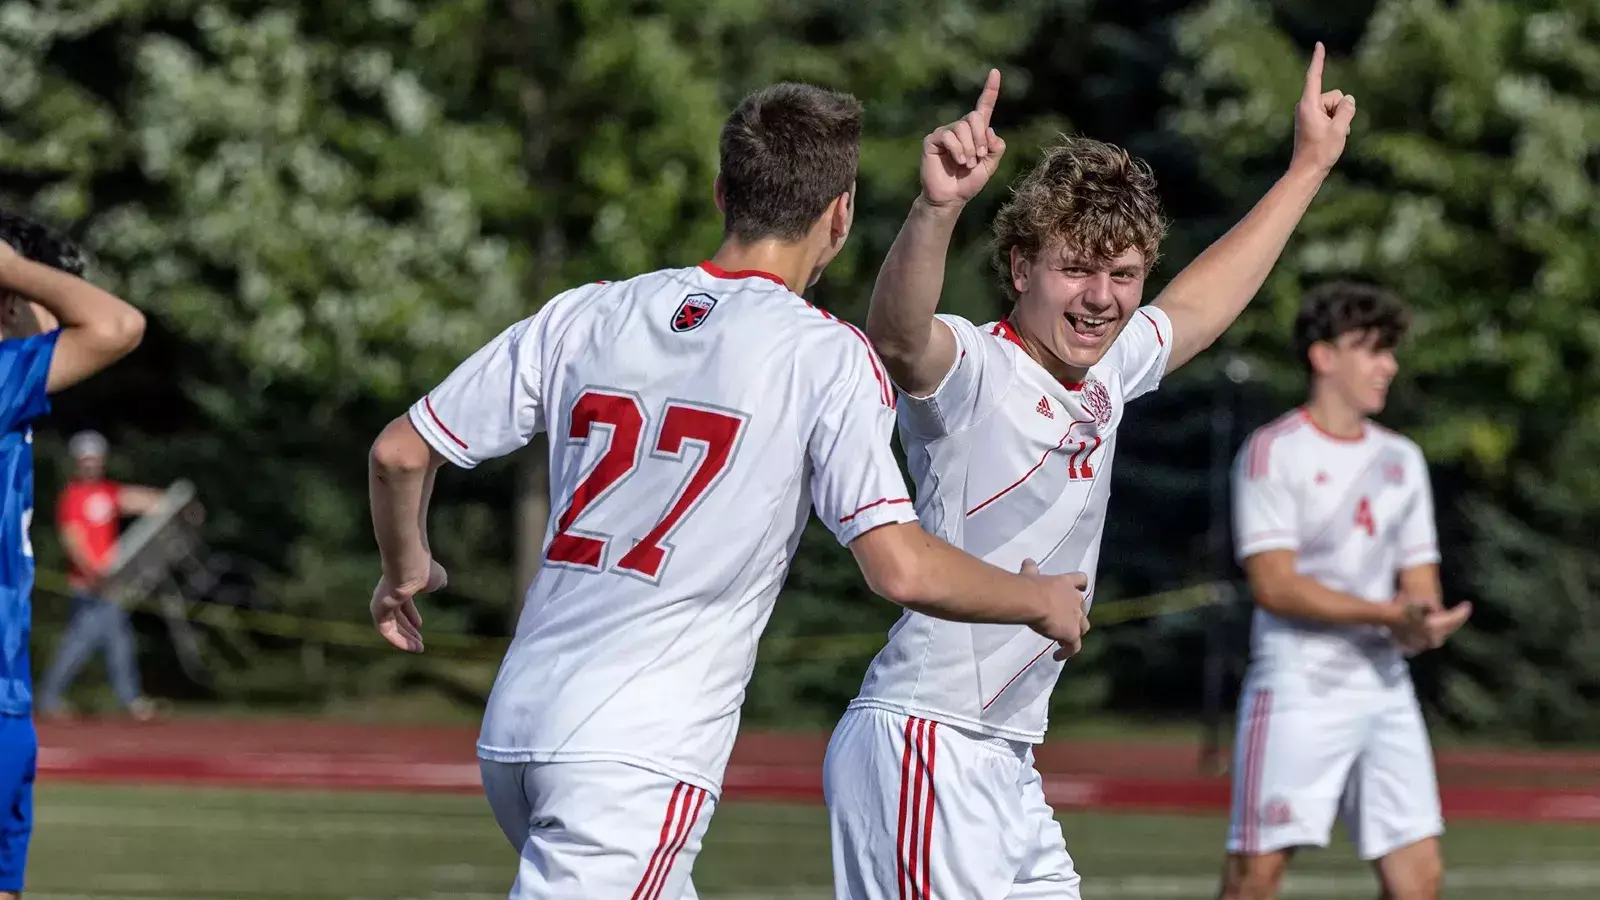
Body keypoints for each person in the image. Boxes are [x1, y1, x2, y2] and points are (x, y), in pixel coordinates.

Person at [365, 82, 1091, 900]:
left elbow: (399, 453)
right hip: (636, 751)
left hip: (519, 729)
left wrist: (407, 566)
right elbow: (900, 568)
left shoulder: (588, 312)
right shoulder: (825, 355)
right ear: (841, 214)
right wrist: (1034, 599)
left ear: (722, 194)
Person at [824, 45, 1356, 899]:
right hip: (928, 740)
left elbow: (1199, 303)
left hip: (1006, 761)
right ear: (1021, 267)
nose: (1101, 296)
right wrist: (935, 208)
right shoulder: (978, 370)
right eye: (1076, 268)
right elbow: (896, 336)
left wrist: (1306, 168)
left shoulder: (1106, 369)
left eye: (1123, 274)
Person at [1216, 281, 1471, 900]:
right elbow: (1275, 586)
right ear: (1323, 356)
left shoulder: (1402, 459)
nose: (1390, 365)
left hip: (1383, 687)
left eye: (1391, 351)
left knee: (1419, 879)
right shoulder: (1273, 451)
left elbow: (1419, 583)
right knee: (1258, 876)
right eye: (1373, 350)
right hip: (1299, 685)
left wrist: (1421, 620)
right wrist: (1389, 613)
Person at [0, 211, 145, 899]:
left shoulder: (15, 395)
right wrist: (11, 265)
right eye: (41, 296)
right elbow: (118, 326)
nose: (55, 311)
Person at [37, 430, 167, 721]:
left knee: (116, 642)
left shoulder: (107, 492)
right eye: (85, 459)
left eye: (95, 459)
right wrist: (91, 571)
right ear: (77, 462)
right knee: (81, 644)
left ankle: (129, 700)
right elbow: (72, 539)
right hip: (89, 585)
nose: (91, 464)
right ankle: (50, 696)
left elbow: (136, 499)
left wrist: (171, 502)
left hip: (109, 584)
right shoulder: (72, 497)